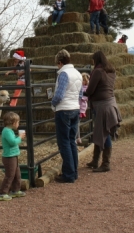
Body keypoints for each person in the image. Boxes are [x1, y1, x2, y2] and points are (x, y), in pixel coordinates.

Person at [84, 51, 122, 173]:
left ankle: (105, 163)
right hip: (111, 103)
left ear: (96, 60)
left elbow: (90, 90)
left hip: (101, 106)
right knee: (101, 132)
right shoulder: (111, 71)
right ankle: (95, 161)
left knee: (103, 133)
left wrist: (81, 92)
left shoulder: (98, 72)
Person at [51, 49, 83, 183]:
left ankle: (68, 174)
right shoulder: (78, 73)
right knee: (71, 141)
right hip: (75, 107)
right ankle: (74, 171)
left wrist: (53, 104)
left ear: (60, 62)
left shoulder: (64, 74)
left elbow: (59, 94)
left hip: (64, 109)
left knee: (63, 142)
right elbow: (80, 94)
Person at [0, 111, 27, 201]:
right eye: (18, 122)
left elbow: (13, 141)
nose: (18, 124)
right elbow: (13, 142)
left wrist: (18, 137)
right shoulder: (7, 131)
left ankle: (15, 190)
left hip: (13, 156)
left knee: (17, 174)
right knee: (10, 175)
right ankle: (2, 193)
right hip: (9, 157)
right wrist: (20, 137)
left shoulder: (9, 131)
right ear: (13, 123)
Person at [77, 73, 90, 145]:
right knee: (76, 123)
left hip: (81, 106)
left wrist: (81, 97)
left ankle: (78, 137)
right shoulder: (80, 86)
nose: (82, 81)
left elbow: (87, 97)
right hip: (77, 106)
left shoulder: (87, 88)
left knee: (77, 122)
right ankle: (78, 137)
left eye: (83, 80)